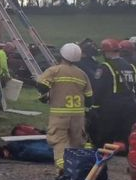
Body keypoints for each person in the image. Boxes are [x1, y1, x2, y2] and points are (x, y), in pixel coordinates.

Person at [36, 43, 93, 172]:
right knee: (76, 143)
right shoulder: (82, 74)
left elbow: (41, 86)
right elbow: (89, 99)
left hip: (59, 114)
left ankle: (62, 170)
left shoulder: (54, 70)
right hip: (78, 116)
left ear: (61, 55)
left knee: (59, 141)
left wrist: (46, 95)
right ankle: (76, 169)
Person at [88, 38, 136, 148]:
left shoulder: (105, 67)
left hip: (111, 107)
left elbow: (99, 88)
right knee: (126, 137)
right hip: (130, 106)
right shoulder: (130, 67)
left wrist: (94, 107)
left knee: (103, 137)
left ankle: (102, 164)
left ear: (106, 52)